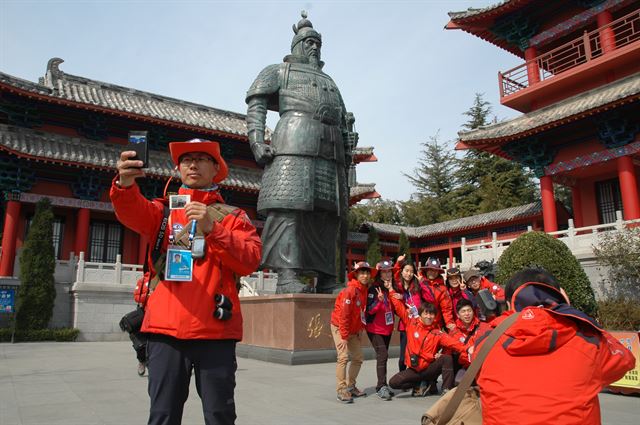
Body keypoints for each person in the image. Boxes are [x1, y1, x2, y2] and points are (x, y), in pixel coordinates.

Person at [111, 139, 262, 425]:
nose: (193, 164)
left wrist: (213, 229)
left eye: (202, 159)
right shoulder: (163, 211)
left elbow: (250, 259)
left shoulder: (233, 217)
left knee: (220, 415)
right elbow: (132, 211)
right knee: (163, 415)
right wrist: (125, 185)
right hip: (166, 332)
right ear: (178, 168)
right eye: (186, 159)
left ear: (216, 168)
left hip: (215, 332)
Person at [245, 11, 353, 294]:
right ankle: (287, 275)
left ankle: (329, 277)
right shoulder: (280, 71)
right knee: (289, 209)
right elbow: (256, 103)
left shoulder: (331, 81)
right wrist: (257, 140)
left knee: (328, 215)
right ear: (296, 46)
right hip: (293, 145)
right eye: (308, 42)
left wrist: (349, 151)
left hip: (331, 151)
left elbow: (343, 120)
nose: (314, 47)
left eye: (317, 42)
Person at [471, 268, 636, 425]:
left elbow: (473, 364)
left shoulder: (486, 341)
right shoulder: (589, 340)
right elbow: (625, 361)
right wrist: (573, 313)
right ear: (560, 297)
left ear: (507, 303)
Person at [387, 296, 466, 396]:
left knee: (446, 358)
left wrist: (468, 349)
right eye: (426, 313)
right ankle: (422, 383)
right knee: (393, 383)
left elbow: (454, 343)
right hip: (414, 369)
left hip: (429, 368)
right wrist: (391, 290)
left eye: (432, 314)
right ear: (420, 315)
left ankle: (446, 389)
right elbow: (399, 308)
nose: (429, 316)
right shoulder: (411, 325)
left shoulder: (437, 333)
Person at [330, 261, 375, 403]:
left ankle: (351, 386)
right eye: (362, 272)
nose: (365, 275)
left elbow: (361, 312)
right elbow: (344, 315)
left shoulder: (365, 290)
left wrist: (359, 329)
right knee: (343, 357)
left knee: (358, 357)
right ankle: (341, 389)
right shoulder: (350, 291)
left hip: (354, 330)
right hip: (340, 327)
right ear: (356, 274)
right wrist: (344, 336)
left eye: (367, 272)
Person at [392, 254, 435, 372]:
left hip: (418, 324)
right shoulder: (398, 286)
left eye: (411, 271)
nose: (408, 274)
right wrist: (398, 262)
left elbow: (431, 299)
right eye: (406, 271)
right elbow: (393, 276)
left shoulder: (417, 286)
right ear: (402, 271)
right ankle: (402, 376)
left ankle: (415, 379)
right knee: (402, 357)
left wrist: (422, 283)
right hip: (405, 325)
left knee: (416, 354)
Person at [365, 259, 396, 400]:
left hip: (387, 329)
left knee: (383, 356)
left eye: (389, 271)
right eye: (384, 272)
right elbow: (370, 310)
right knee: (382, 355)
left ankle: (383, 385)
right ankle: (381, 386)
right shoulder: (373, 288)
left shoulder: (392, 287)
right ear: (379, 274)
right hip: (375, 329)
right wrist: (378, 301)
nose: (387, 274)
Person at [448, 298, 490, 371]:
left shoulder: (482, 327)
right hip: (463, 367)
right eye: (463, 311)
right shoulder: (454, 332)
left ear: (473, 312)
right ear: (458, 315)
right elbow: (449, 352)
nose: (467, 314)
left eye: (469, 310)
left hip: (481, 365)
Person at [419, 258, 455, 331]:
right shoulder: (418, 283)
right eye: (430, 270)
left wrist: (449, 323)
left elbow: (446, 309)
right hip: (418, 322)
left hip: (435, 324)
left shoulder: (442, 288)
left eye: (435, 270)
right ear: (426, 270)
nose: (433, 272)